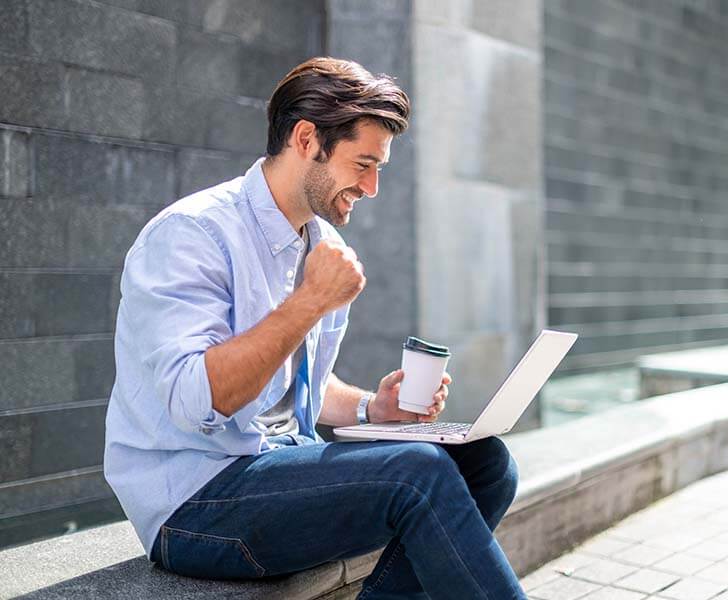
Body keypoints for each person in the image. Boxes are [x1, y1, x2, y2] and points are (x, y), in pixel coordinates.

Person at [103, 57, 526, 599]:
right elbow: (199, 400)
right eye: (363, 164)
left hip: (278, 468)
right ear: (307, 139)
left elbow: (295, 384)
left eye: (380, 168)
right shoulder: (192, 234)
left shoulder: (323, 245)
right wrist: (307, 303)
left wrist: (374, 408)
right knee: (414, 472)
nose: (372, 187)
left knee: (487, 464)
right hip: (193, 504)